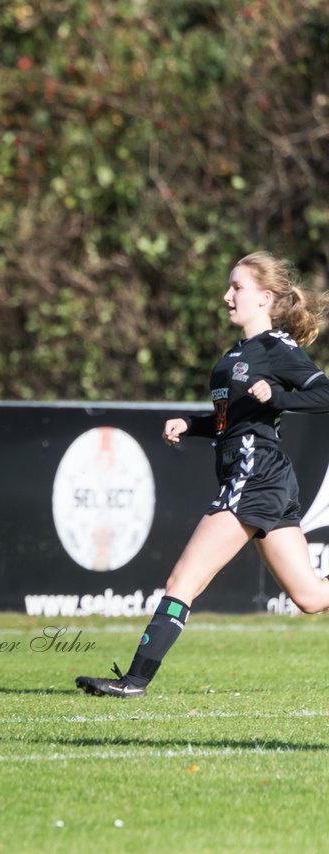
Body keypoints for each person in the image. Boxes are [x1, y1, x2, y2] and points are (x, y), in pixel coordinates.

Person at [77, 251, 329, 697]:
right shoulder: (236, 353)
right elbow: (229, 422)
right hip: (260, 476)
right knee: (311, 597)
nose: (226, 295)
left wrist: (278, 397)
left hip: (256, 476)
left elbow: (322, 393)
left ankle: (134, 681)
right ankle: (134, 681)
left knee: (181, 582)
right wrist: (190, 425)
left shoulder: (277, 349)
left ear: (264, 298)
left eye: (237, 288)